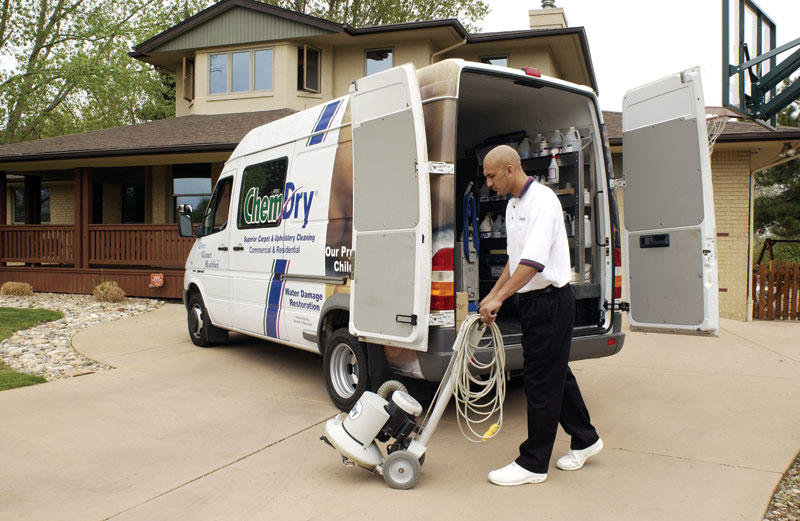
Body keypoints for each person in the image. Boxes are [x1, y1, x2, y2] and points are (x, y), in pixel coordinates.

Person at [478, 144, 602, 486]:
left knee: (540, 383)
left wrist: (500, 298)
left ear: (509, 169)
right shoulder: (514, 204)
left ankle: (533, 463)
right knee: (555, 375)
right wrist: (492, 293)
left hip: (551, 301)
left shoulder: (542, 201)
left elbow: (534, 263)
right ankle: (586, 439)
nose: (488, 183)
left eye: (491, 176)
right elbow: (516, 261)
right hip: (533, 303)